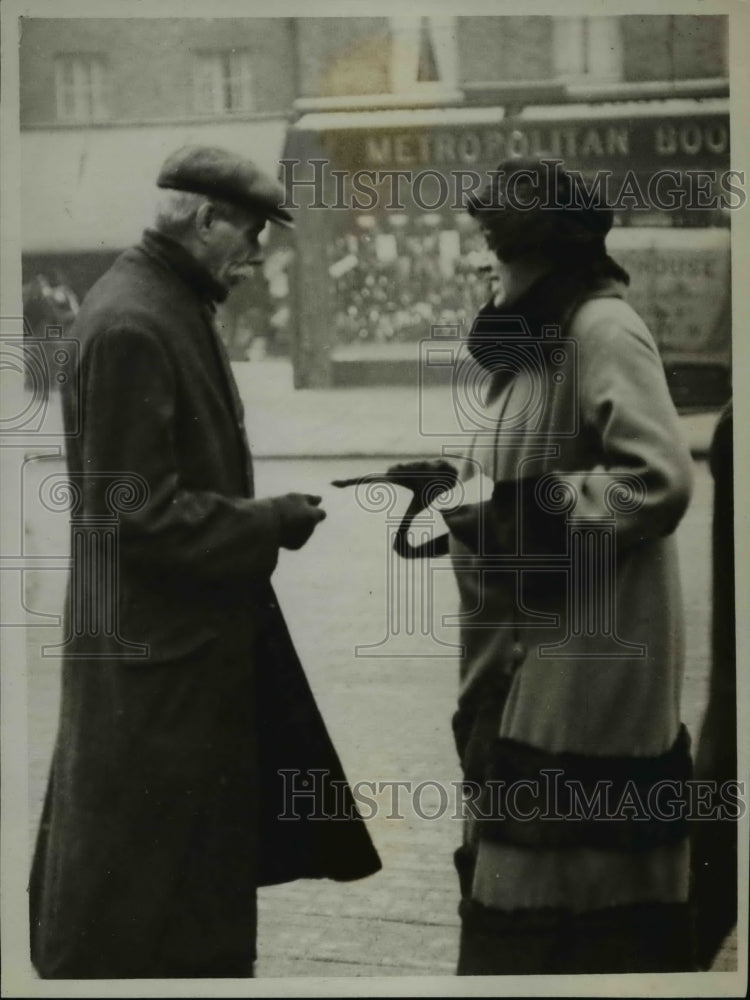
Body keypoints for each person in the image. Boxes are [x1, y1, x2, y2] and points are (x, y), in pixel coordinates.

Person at [29, 145, 381, 979]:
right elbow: (135, 515)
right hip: (157, 685)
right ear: (204, 219)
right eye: (252, 231)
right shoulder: (131, 323)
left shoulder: (165, 303)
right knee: (149, 907)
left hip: (178, 675)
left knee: (182, 894)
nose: (259, 252)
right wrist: (268, 523)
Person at [394, 158, 696, 973]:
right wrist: (458, 491)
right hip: (521, 663)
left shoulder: (600, 328)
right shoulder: (537, 337)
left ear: (539, 252)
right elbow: (530, 463)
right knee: (520, 892)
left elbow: (659, 480)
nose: (478, 260)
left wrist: (517, 508)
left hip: (577, 677)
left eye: (491, 243)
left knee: (557, 914)